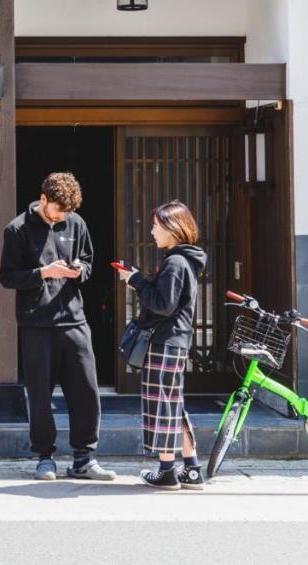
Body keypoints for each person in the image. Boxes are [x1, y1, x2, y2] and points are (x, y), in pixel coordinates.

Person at [0, 172, 115, 482]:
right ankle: (45, 457)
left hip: (74, 318)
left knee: (87, 391)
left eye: (67, 211)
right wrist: (42, 272)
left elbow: (89, 261)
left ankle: (84, 458)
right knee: (39, 394)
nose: (61, 216)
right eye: (57, 210)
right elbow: (7, 276)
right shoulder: (17, 229)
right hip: (36, 322)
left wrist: (80, 269)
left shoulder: (75, 223)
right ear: (44, 198)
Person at [116, 200, 206, 491]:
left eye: (156, 226)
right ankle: (191, 469)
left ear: (172, 228)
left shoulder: (175, 262)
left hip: (164, 341)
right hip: (176, 341)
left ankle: (167, 471)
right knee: (173, 405)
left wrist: (138, 281)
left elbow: (163, 305)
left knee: (163, 406)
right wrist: (139, 280)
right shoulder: (186, 260)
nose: (152, 231)